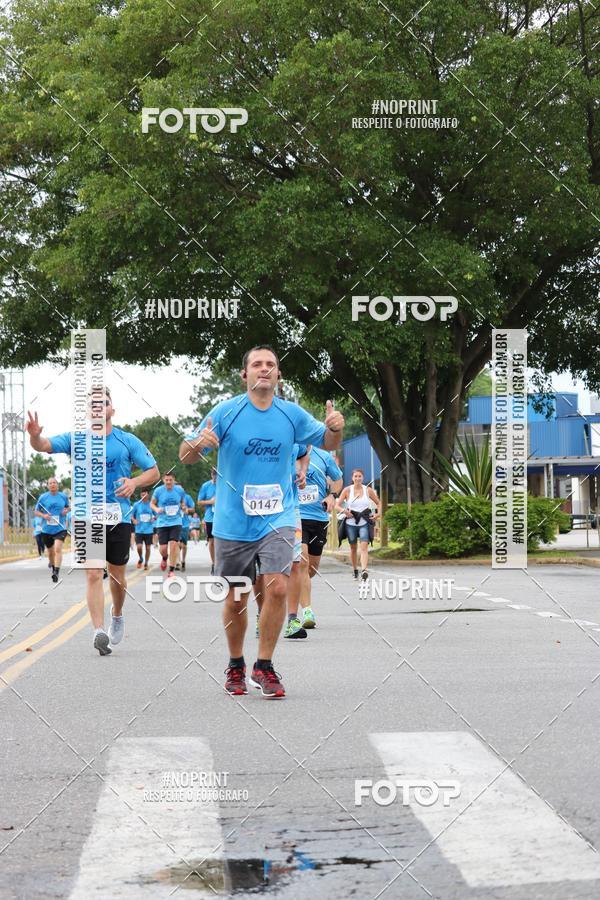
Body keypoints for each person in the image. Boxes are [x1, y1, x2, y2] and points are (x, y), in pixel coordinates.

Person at [179, 344, 344, 699]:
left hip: (279, 516)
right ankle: (236, 663)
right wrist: (198, 445)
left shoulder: (292, 415)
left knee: (280, 588)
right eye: (257, 364)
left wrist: (335, 428)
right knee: (237, 598)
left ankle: (264, 666)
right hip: (233, 521)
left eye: (271, 364)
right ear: (245, 375)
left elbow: (328, 442)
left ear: (278, 374)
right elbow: (186, 455)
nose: (264, 369)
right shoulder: (226, 413)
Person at [26, 387, 159, 655]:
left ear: (112, 409)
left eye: (104, 402)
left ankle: (117, 614)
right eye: (94, 404)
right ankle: (99, 630)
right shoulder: (76, 439)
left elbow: (153, 471)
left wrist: (134, 482)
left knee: (118, 576)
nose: (99, 406)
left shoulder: (126, 441)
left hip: (118, 516)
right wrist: (35, 436)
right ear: (88, 411)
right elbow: (44, 446)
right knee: (93, 572)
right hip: (86, 515)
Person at [295, 447, 343, 628]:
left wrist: (332, 496)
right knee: (302, 562)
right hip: (295, 517)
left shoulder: (323, 456)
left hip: (319, 517)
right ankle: (307, 611)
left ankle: (294, 589)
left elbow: (338, 480)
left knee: (311, 568)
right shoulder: (288, 452)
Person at [336, 469, 381, 580]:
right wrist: (344, 511)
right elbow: (337, 505)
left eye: (359, 476)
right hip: (350, 522)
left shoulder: (368, 490)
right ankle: (355, 569)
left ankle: (364, 570)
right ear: (352, 478)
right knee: (353, 547)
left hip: (364, 522)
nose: (357, 478)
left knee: (364, 547)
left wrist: (377, 514)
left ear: (363, 477)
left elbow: (378, 503)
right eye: (355, 476)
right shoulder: (347, 490)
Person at [34, 477, 70, 583]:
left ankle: (56, 572)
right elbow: (36, 512)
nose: (52, 484)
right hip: (47, 529)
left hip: (60, 528)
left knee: (58, 549)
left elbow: (69, 507)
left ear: (57, 485)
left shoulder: (63, 497)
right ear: (48, 485)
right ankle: (53, 567)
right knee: (50, 553)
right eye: (50, 483)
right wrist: (44, 515)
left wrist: (66, 511)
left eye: (54, 483)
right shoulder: (43, 498)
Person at [151, 472, 186, 577]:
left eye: (170, 480)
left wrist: (183, 506)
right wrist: (157, 509)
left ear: (173, 480)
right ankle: (164, 558)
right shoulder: (158, 491)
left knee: (174, 544)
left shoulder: (179, 490)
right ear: (163, 480)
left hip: (176, 521)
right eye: (166, 480)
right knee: (163, 549)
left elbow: (183, 501)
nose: (168, 482)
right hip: (162, 522)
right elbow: (152, 503)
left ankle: (171, 570)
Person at [197, 468, 217, 574]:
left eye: (218, 475)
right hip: (210, 518)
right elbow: (199, 502)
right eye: (214, 475)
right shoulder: (206, 486)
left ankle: (222, 563)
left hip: (223, 518)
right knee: (212, 542)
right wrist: (211, 501)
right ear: (211, 475)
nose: (215, 477)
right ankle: (214, 564)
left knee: (223, 542)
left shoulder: (225, 484)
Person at [131, 490, 155, 570]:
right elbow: (131, 515)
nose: (143, 496)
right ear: (140, 496)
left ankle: (146, 563)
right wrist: (134, 520)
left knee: (148, 548)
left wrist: (154, 518)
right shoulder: (136, 504)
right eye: (142, 495)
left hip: (149, 530)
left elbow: (157, 514)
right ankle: (141, 558)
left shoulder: (151, 504)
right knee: (139, 547)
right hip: (139, 530)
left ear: (148, 495)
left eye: (145, 494)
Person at [179, 487, 195, 571]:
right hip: (175, 524)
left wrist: (187, 509)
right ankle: (177, 562)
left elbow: (193, 509)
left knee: (184, 545)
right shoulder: (173, 496)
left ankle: (183, 561)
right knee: (176, 544)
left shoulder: (187, 497)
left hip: (185, 524)